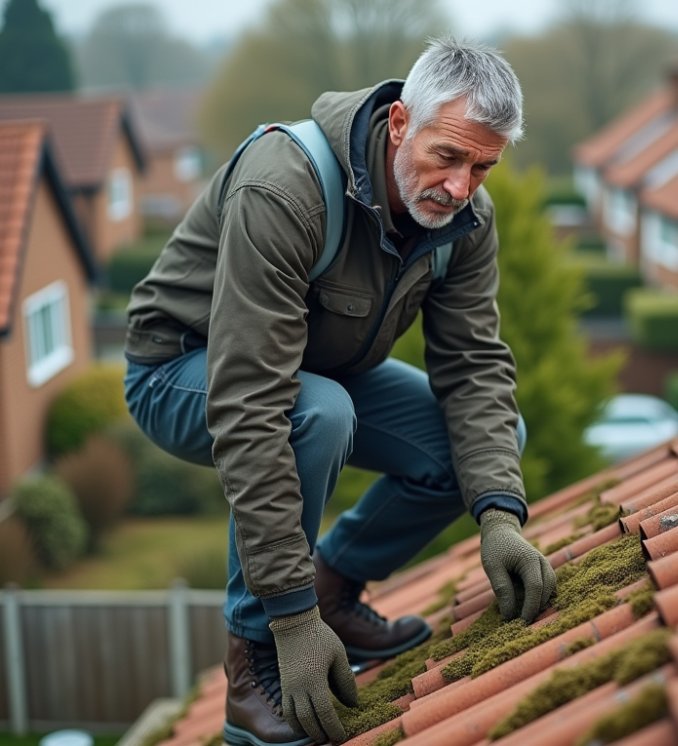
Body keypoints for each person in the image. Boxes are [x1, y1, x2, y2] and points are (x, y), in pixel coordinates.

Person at [123, 38, 556, 746]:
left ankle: (335, 585)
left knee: (491, 444)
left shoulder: (465, 222)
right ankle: (249, 663)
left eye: (482, 166)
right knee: (316, 414)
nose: (461, 186)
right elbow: (251, 402)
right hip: (184, 369)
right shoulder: (284, 188)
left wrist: (500, 517)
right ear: (397, 125)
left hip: (321, 369)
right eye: (447, 156)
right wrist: (290, 622)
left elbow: (475, 367)